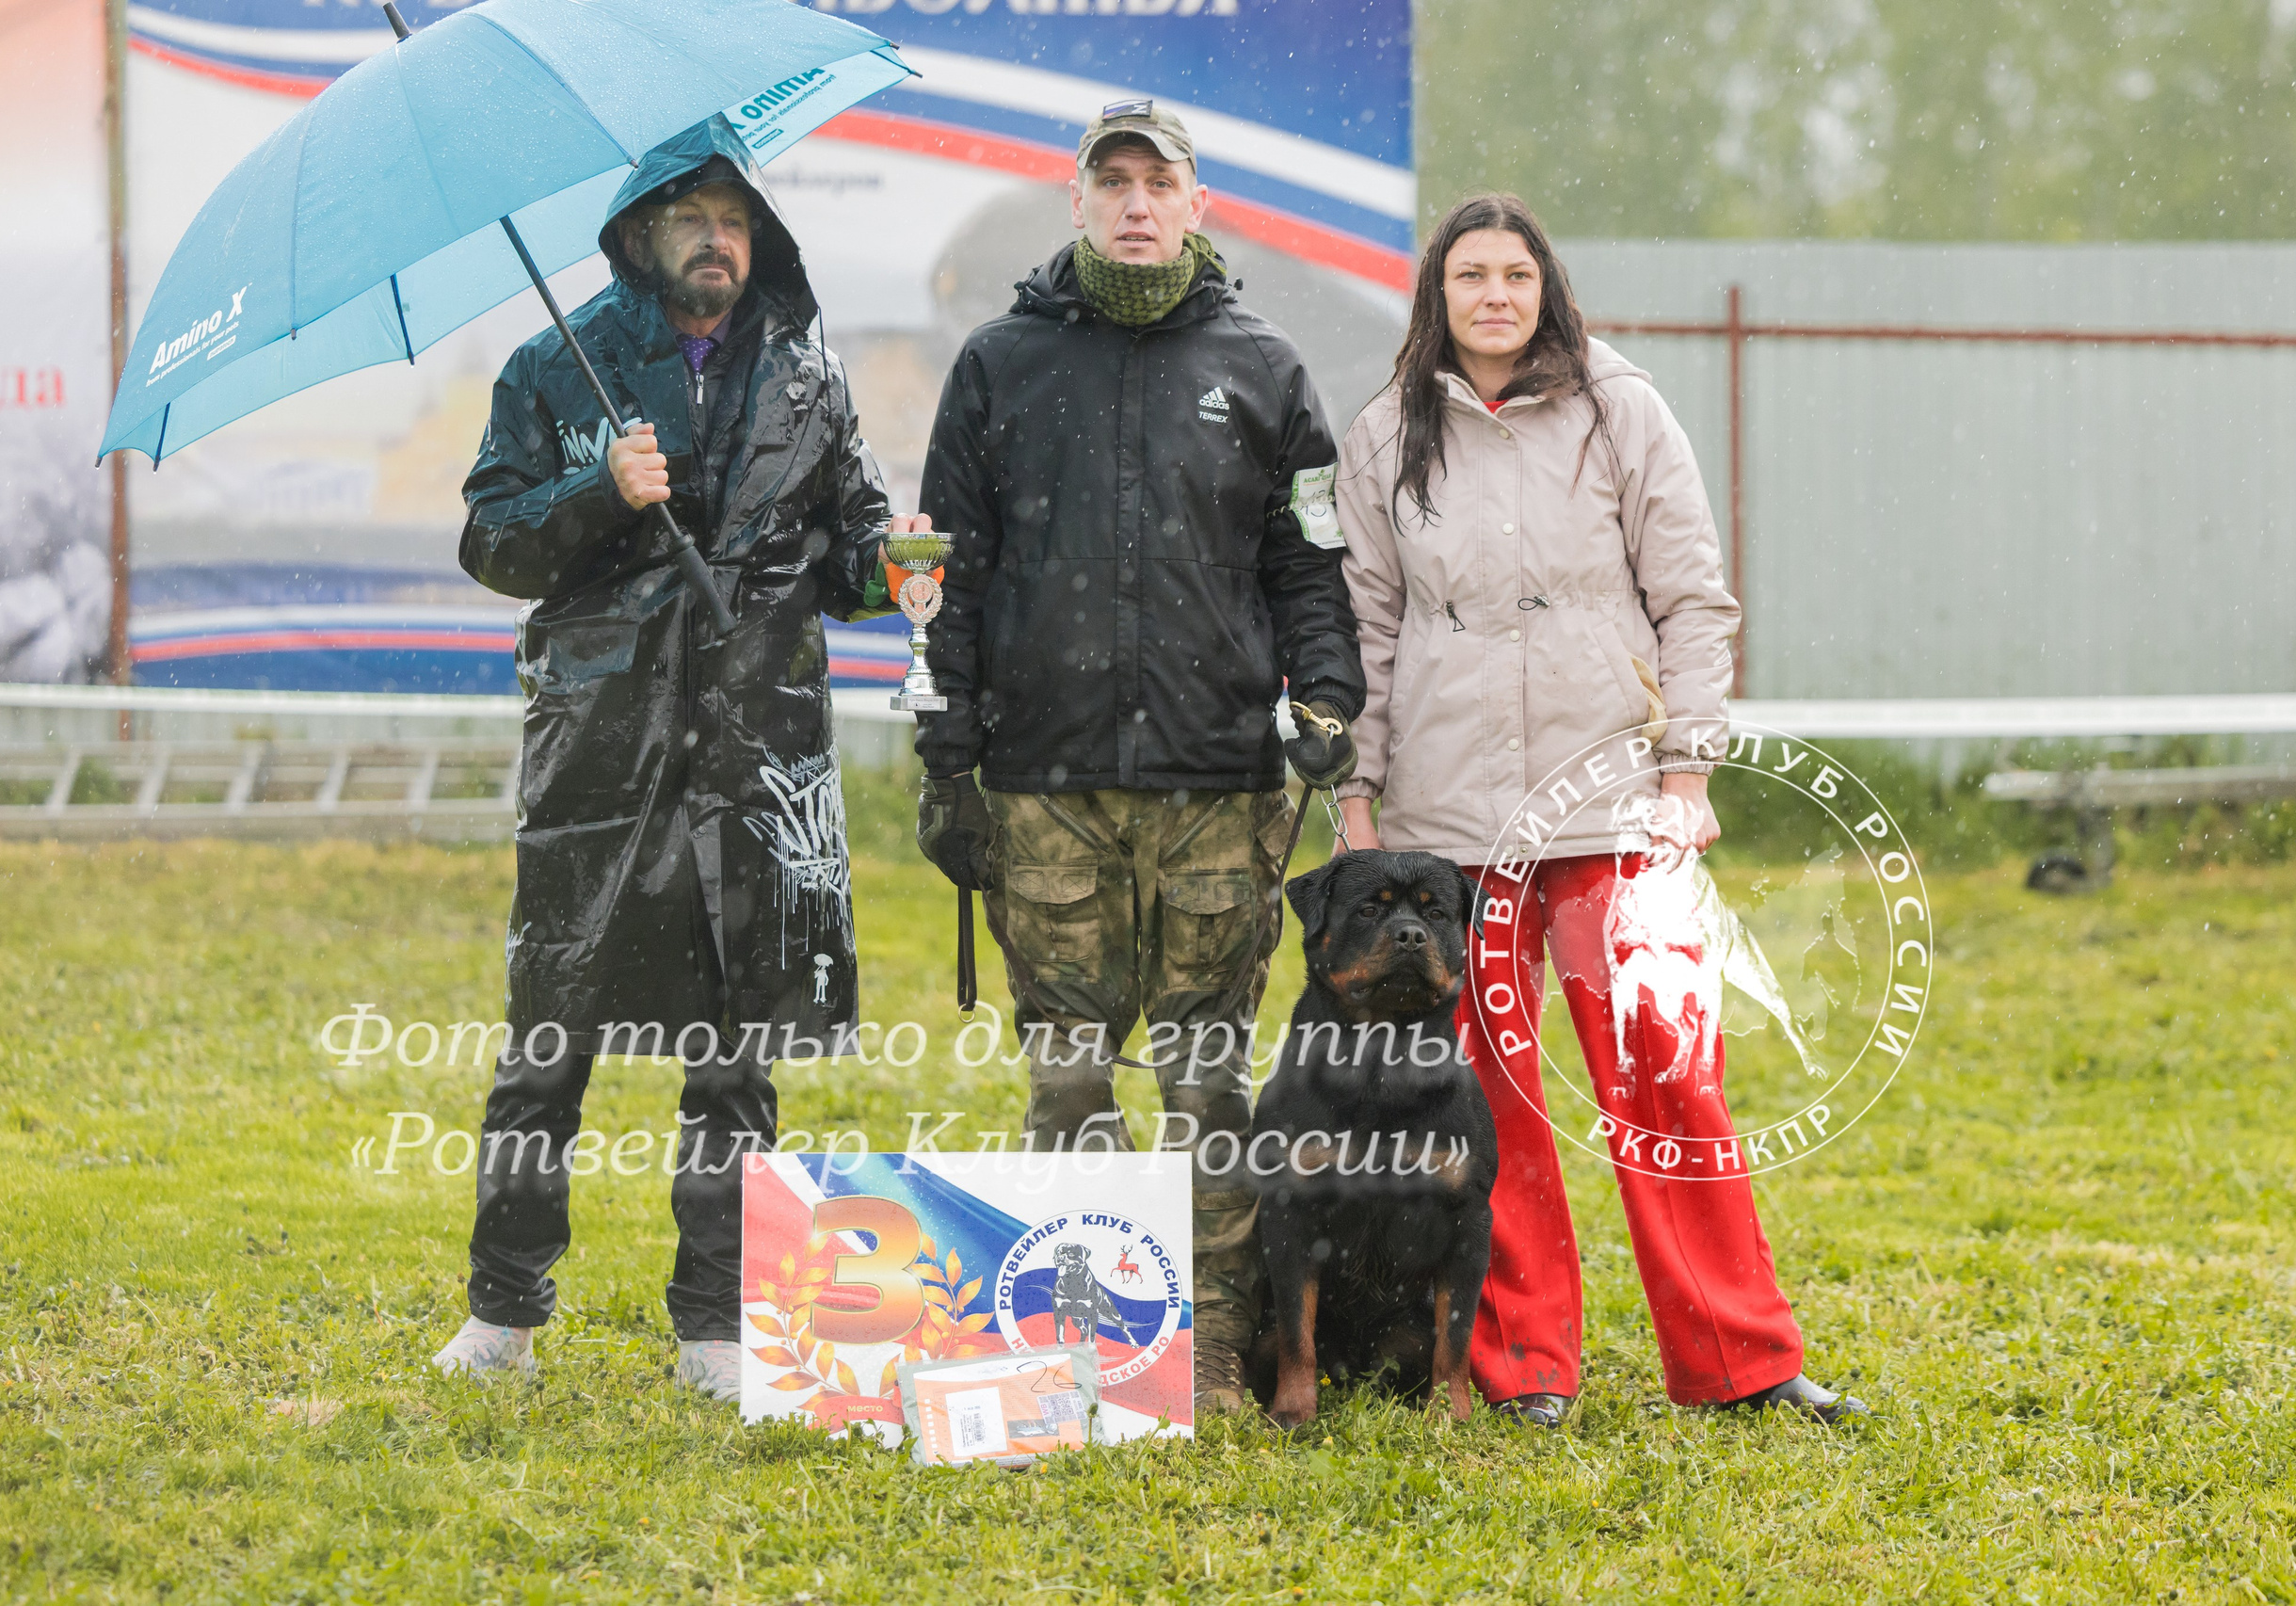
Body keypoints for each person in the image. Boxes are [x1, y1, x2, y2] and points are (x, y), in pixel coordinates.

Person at [1330, 193, 1865, 1426]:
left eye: (1518, 273)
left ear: (1548, 286)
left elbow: (1693, 601)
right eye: (1472, 276)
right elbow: (1364, 629)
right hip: (1448, 822)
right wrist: (1358, 798)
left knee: (1672, 1080)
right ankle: (1523, 1366)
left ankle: (1742, 1359)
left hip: (1614, 806)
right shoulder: (1384, 434)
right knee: (1489, 1098)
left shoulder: (1624, 408)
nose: (1497, 296)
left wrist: (1687, 776)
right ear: (1438, 296)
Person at [431, 118, 930, 1398]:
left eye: (736, 218)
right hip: (599, 757)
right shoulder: (557, 366)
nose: (718, 239)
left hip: (755, 751)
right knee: (549, 1042)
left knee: (737, 1051)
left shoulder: (812, 380)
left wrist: (896, 563)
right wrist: (599, 490)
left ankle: (714, 1322)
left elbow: (848, 552)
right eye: (692, 217)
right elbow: (493, 542)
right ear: (639, 234)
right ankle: (503, 1311)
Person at [910, 101, 1365, 1414]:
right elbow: (952, 574)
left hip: (1221, 787)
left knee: (1209, 1080)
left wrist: (1325, 700)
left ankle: (1210, 1343)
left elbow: (1309, 568)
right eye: (1109, 180)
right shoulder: (998, 364)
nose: (1133, 202)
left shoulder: (1268, 367)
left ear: (1197, 202)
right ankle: (1077, 1340)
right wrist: (949, 759)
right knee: (1067, 1079)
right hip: (1044, 787)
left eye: (1155, 180)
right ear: (1076, 202)